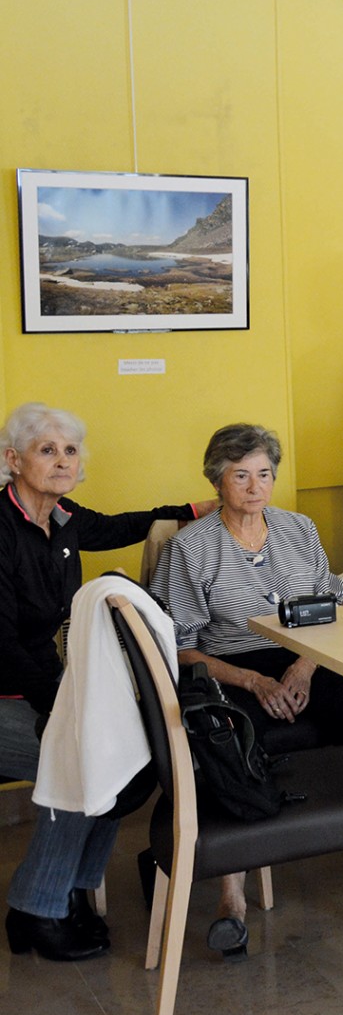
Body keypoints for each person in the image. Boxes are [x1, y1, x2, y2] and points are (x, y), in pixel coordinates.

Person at [151, 423, 343, 961]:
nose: (255, 486)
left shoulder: (298, 528)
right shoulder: (190, 547)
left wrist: (302, 669)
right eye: (240, 475)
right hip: (229, 665)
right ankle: (233, 898)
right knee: (237, 742)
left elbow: (333, 611)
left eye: (264, 474)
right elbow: (176, 645)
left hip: (307, 661)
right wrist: (253, 680)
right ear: (218, 481)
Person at [2, 404, 208, 961]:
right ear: (12, 459)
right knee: (79, 756)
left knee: (126, 761)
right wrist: (62, 708)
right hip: (5, 691)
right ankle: (34, 910)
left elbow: (121, 524)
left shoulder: (62, 518)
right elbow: (2, 644)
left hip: (37, 684)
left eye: (70, 451)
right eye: (48, 450)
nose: (62, 460)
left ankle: (71, 892)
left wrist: (194, 508)